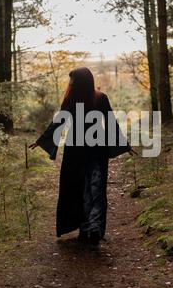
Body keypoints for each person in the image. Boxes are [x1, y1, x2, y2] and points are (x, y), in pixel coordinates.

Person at [30, 67, 134, 245]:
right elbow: (59, 121)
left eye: (73, 81)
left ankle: (93, 228)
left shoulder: (98, 98)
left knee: (94, 188)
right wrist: (42, 140)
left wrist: (124, 145)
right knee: (82, 188)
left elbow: (110, 122)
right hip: (82, 150)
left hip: (87, 150)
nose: (70, 84)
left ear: (82, 82)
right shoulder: (79, 98)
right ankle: (88, 227)